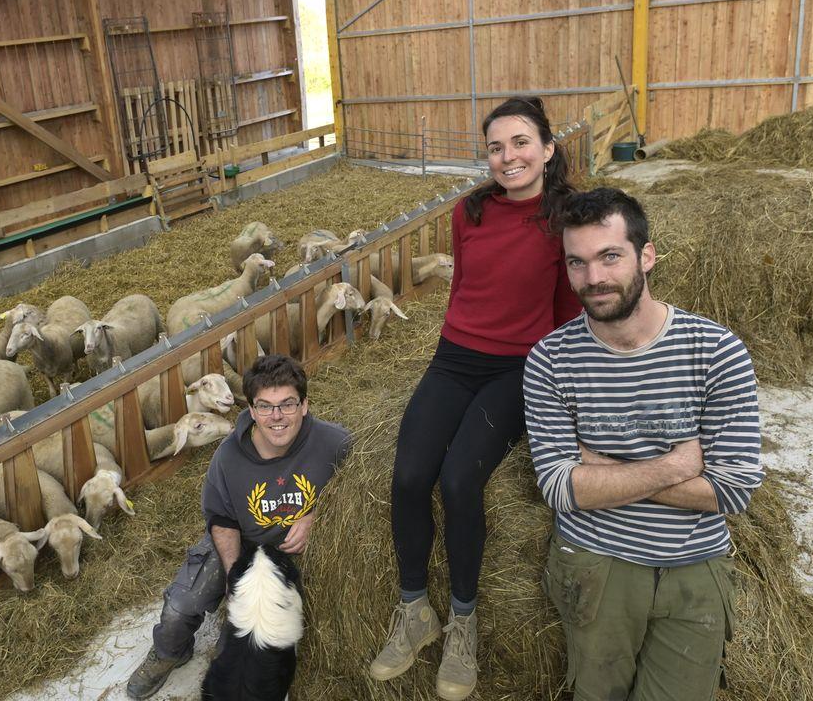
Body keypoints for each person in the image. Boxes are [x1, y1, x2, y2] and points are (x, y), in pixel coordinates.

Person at [370, 97, 580, 700]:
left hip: (517, 367)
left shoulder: (565, 218)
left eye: (519, 143)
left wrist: (561, 386)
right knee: (410, 475)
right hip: (455, 357)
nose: (507, 157)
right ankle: (415, 610)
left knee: (460, 480)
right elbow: (465, 285)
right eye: (495, 147)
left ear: (546, 148)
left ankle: (463, 620)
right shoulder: (471, 211)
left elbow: (566, 312)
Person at [525, 187, 763, 699]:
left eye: (610, 257)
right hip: (595, 564)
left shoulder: (716, 351)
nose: (594, 279)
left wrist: (601, 468)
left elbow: (733, 491)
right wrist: (675, 466)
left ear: (646, 256)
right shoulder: (549, 359)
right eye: (577, 263)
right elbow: (561, 489)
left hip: (695, 567)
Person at [126, 354, 352, 699]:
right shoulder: (229, 455)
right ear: (252, 409)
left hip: (301, 550)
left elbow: (360, 486)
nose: (276, 417)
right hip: (242, 544)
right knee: (179, 608)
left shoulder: (334, 442)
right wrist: (235, 578)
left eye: (287, 404)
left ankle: (232, 641)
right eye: (265, 406)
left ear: (304, 405)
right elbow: (221, 517)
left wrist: (317, 517)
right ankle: (169, 652)